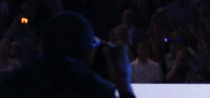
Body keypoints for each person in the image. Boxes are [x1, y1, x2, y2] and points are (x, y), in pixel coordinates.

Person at [0, 11, 134, 98]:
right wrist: (124, 87)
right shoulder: (98, 91)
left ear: (42, 47)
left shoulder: (10, 85)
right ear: (88, 54)